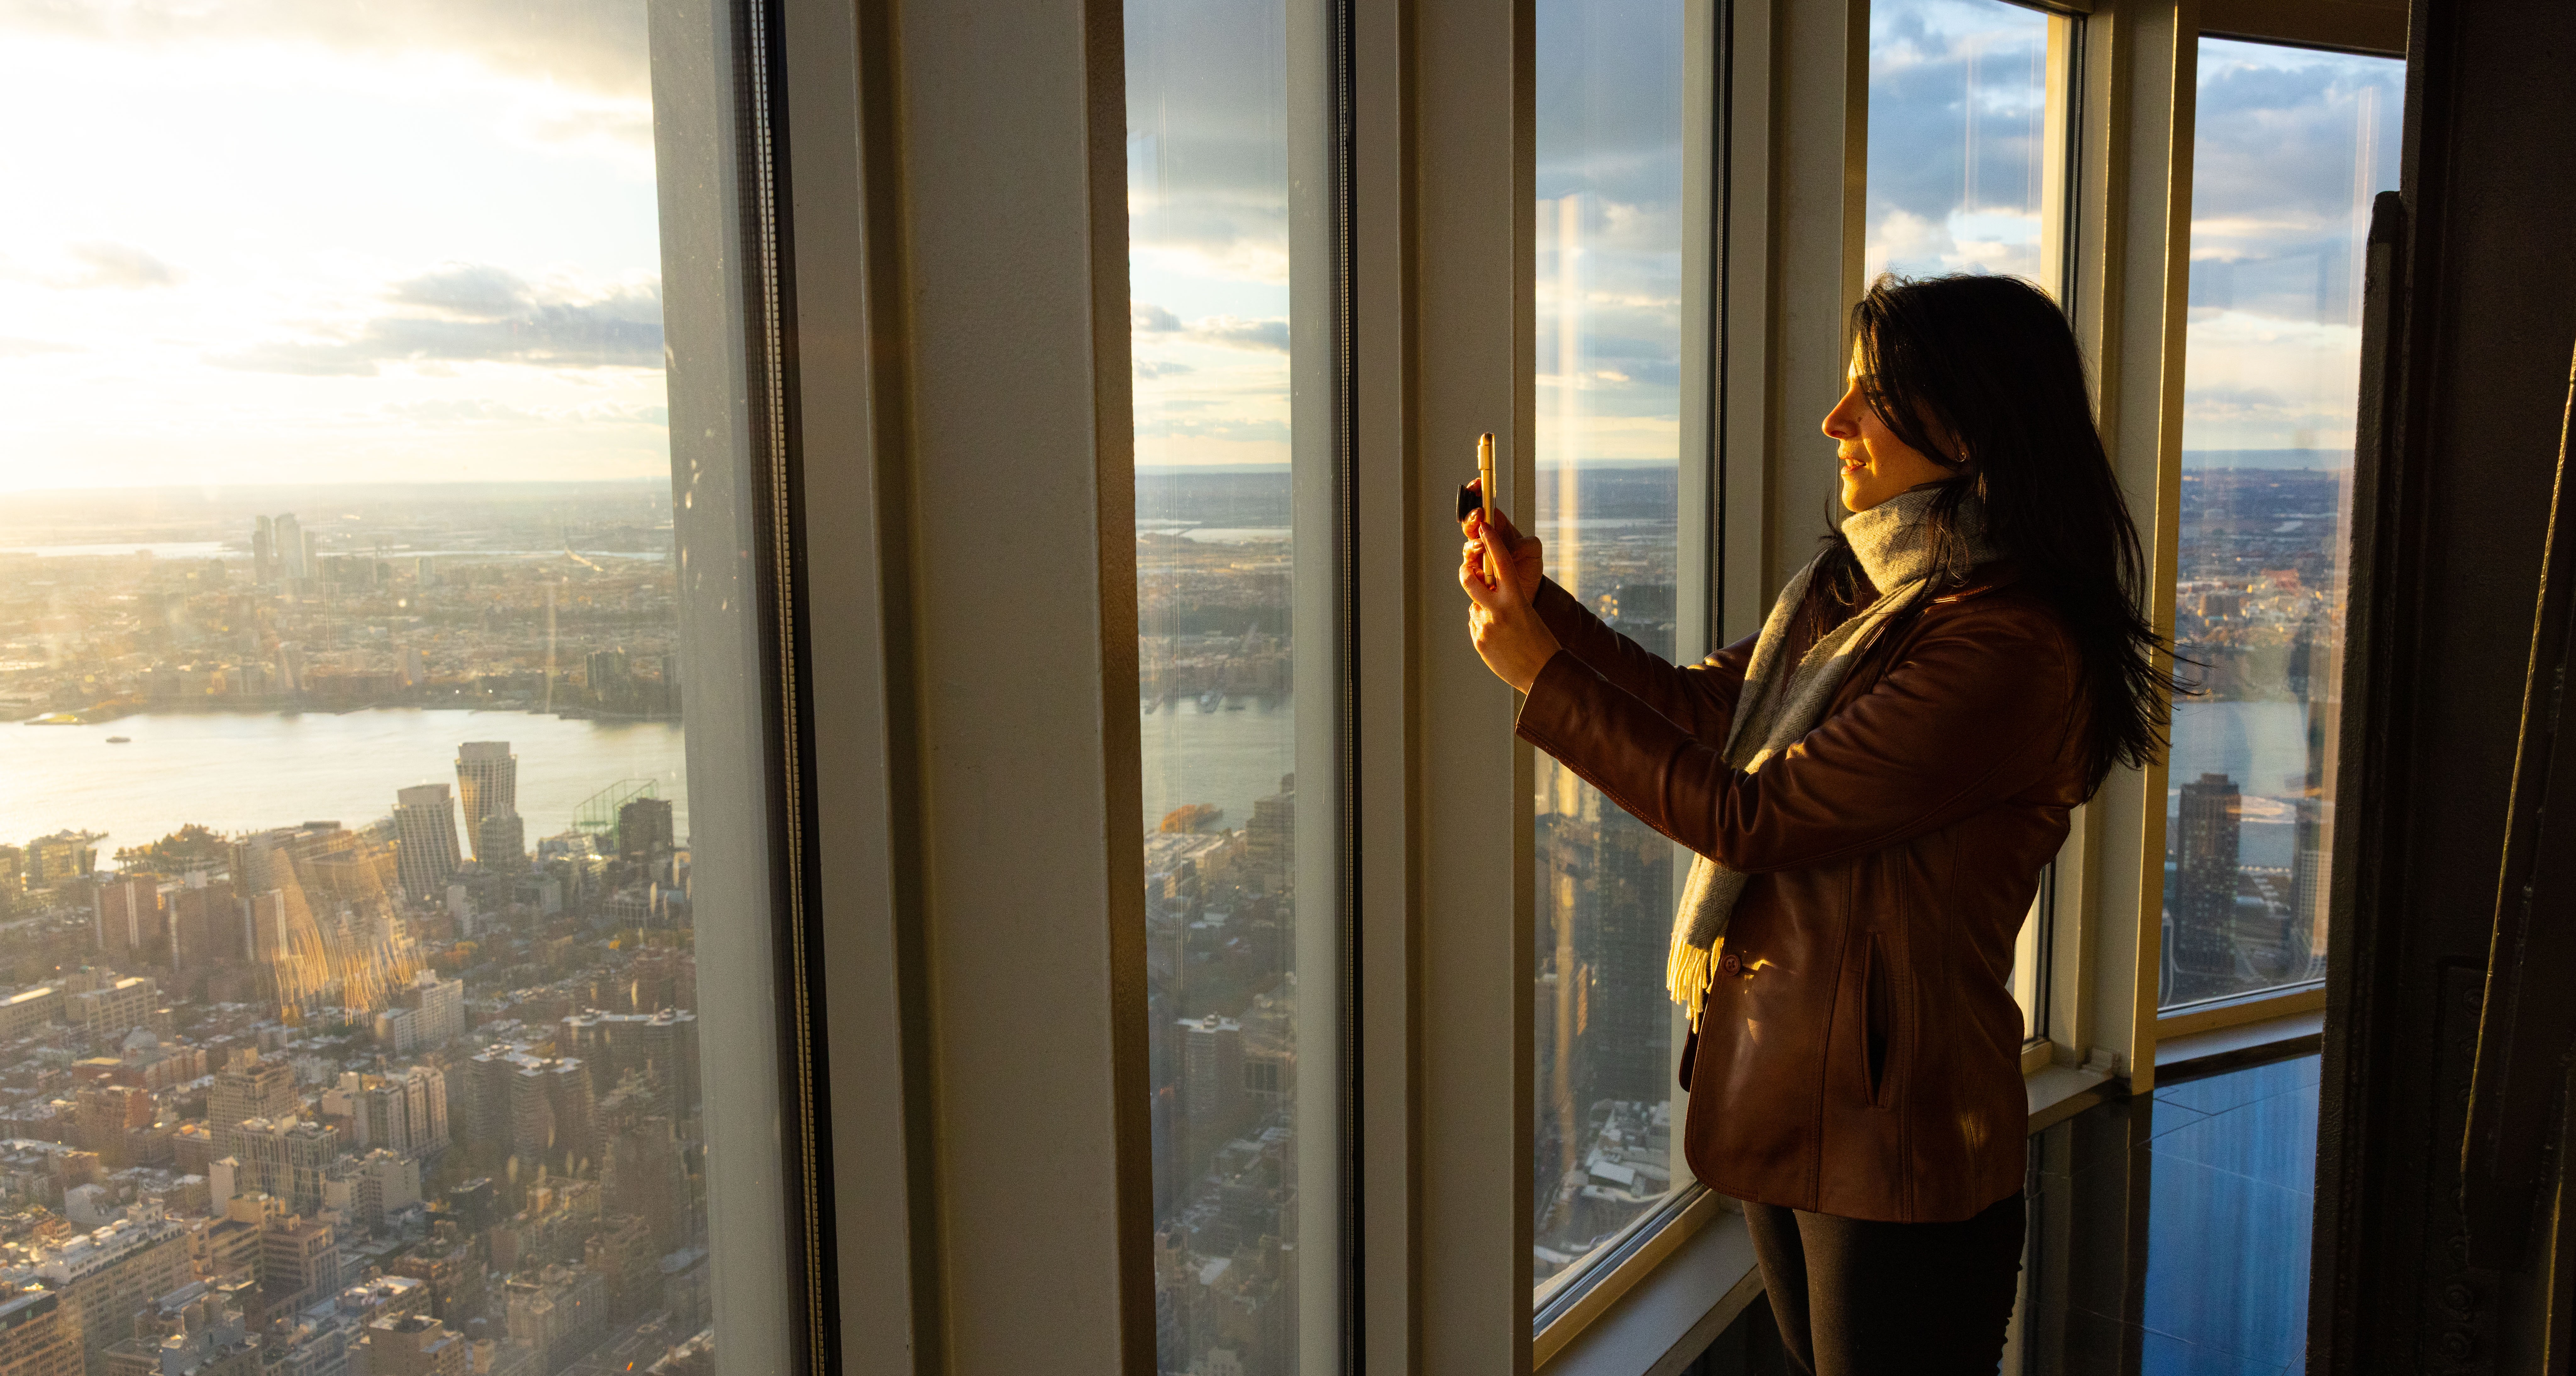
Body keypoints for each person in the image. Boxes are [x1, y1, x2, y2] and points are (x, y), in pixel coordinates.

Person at [1459, 273, 2174, 1375]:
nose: (1835, 424)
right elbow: (1714, 714)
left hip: (1897, 1131)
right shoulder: (1868, 591)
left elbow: (1754, 812)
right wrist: (1539, 611)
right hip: (1798, 1094)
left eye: (1872, 398)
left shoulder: (2007, 649)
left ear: (1972, 421)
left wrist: (1547, 679)